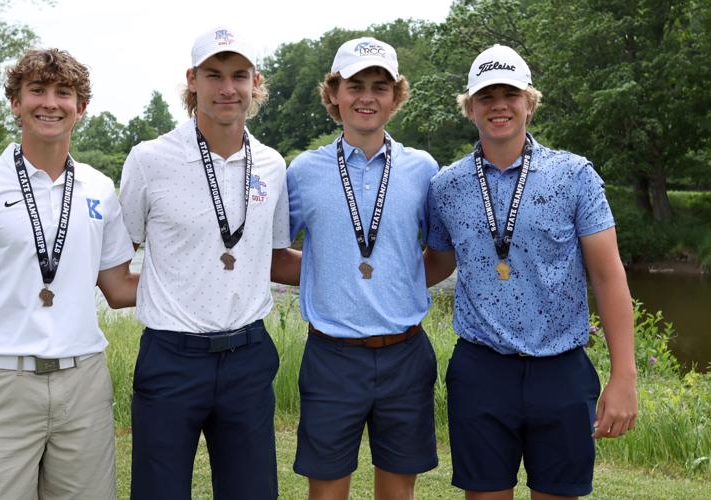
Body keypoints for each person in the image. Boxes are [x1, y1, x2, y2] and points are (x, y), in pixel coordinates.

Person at [0, 48, 137, 499]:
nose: (50, 103)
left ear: (81, 107)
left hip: (84, 383)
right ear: (16, 103)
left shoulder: (100, 188)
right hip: (3, 382)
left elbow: (118, 288)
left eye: (64, 93)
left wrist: (208, 274)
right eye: (36, 90)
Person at [424, 44, 638, 499]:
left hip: (561, 371)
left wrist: (624, 376)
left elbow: (608, 276)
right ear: (470, 107)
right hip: (480, 370)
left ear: (529, 102)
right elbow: (436, 265)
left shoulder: (574, 175)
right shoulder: (446, 185)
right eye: (486, 96)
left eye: (510, 93)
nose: (498, 104)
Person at [118, 26, 290, 500]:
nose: (227, 88)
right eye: (214, 75)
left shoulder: (273, 165)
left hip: (248, 357)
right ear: (192, 79)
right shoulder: (149, 159)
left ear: (255, 82)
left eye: (239, 75)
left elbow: (272, 257)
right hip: (171, 358)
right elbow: (116, 263)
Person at [279, 37, 440, 500]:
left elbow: (438, 255)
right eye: (354, 85)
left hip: (405, 354)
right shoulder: (304, 171)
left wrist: (393, 279)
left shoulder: (422, 169)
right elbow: (275, 255)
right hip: (332, 356)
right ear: (333, 93)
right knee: (327, 491)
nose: (367, 97)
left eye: (379, 86)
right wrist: (329, 274)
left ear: (396, 97)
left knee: (397, 491)